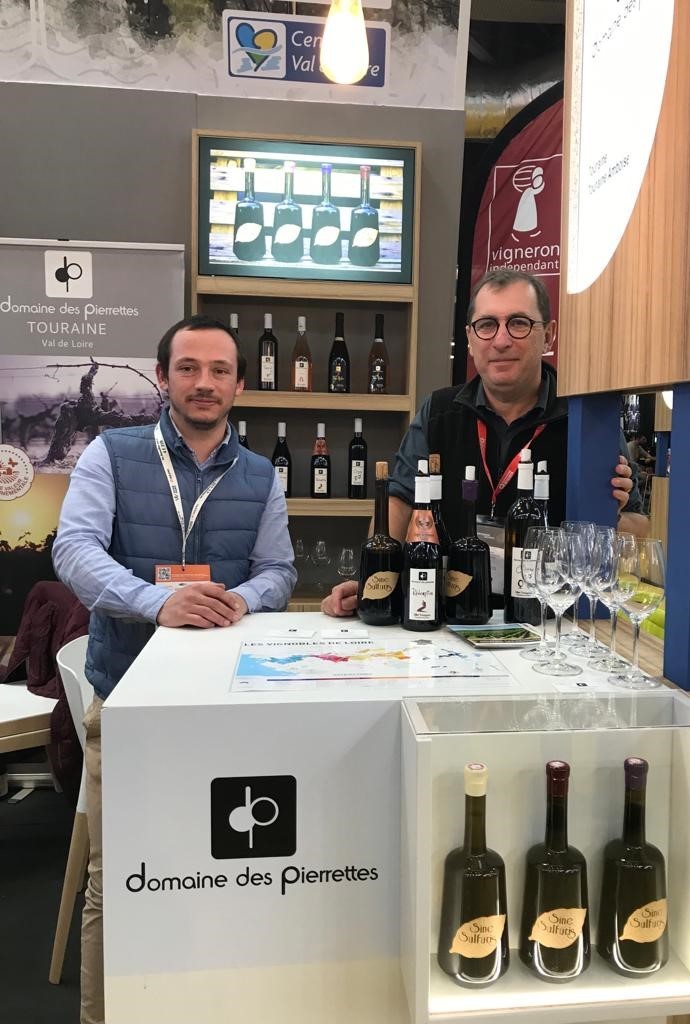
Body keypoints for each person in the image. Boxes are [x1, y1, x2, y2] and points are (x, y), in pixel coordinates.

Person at [52, 314, 296, 1024]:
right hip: (129, 702)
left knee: (220, 874)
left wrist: (241, 599)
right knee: (121, 880)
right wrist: (158, 602)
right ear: (162, 377)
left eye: (220, 370)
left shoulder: (260, 475)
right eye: (188, 367)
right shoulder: (111, 453)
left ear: (240, 384)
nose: (204, 382)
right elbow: (74, 550)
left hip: (228, 707)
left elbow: (278, 570)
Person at [322, 268, 647, 617]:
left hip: (553, 623)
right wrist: (373, 581)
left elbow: (638, 529)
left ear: (549, 335)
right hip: (451, 616)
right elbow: (399, 502)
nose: (501, 340)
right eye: (487, 324)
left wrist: (610, 513)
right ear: (470, 337)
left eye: (519, 323)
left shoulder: (586, 419)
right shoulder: (438, 412)